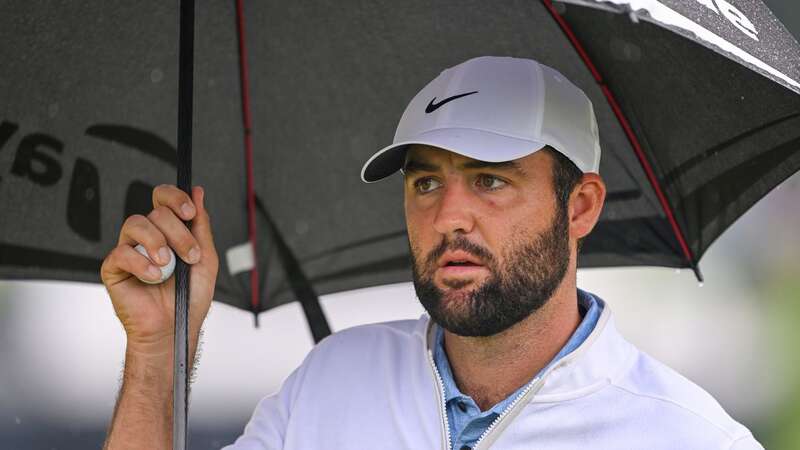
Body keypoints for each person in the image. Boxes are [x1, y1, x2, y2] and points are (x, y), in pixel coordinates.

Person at [101, 56, 762, 449]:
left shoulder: (685, 436)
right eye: (425, 182)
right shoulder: (329, 383)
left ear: (581, 206)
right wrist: (158, 350)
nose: (448, 217)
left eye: (490, 179)